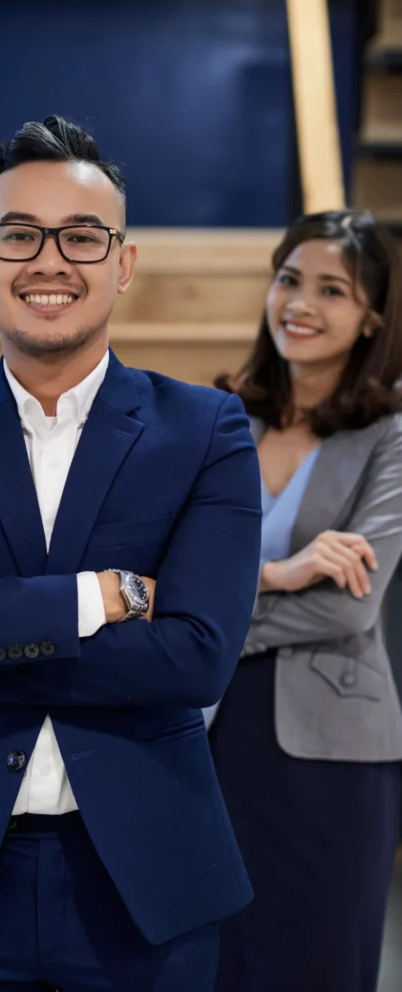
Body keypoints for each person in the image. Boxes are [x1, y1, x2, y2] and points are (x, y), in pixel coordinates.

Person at [0, 115, 263, 992]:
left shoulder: (206, 428)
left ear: (122, 263)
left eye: (80, 236)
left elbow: (196, 659)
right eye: (19, 235)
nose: (48, 261)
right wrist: (98, 598)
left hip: (147, 879)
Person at [210, 209, 402, 992]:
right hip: (207, 732)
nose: (301, 303)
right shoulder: (216, 419)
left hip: (331, 755)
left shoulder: (391, 436)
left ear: (370, 322)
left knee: (317, 959)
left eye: (333, 290)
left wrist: (211, 616)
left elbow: (348, 609)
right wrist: (278, 573)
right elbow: (158, 573)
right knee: (213, 957)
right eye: (289, 280)